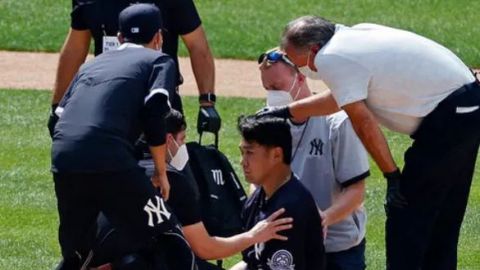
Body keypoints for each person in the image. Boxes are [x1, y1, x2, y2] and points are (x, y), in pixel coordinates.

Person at [259, 16, 480, 270]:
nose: (300, 69)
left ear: (312, 51)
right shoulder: (347, 38)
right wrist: (286, 112)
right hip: (467, 106)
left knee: (405, 213)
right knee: (442, 216)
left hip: (451, 116)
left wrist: (392, 176)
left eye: (295, 61)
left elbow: (363, 122)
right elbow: (340, 98)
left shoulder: (330, 57)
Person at [51, 4, 193, 269]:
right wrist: (160, 171)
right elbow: (155, 112)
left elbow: (57, 117)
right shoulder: (159, 60)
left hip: (64, 159)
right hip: (110, 158)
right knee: (170, 236)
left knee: (79, 254)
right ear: (159, 38)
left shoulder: (91, 66)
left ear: (118, 38)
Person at [90, 109, 294, 270]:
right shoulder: (172, 181)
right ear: (168, 140)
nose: (183, 147)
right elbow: (205, 248)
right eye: (182, 139)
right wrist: (254, 235)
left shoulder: (114, 169)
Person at [257, 48, 370, 270]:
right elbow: (260, 183)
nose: (273, 96)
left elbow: (356, 191)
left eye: (277, 87)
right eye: (267, 88)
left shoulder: (337, 123)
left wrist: (323, 219)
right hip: (289, 243)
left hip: (337, 247)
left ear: (300, 77)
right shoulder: (267, 121)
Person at [48, 0, 219, 136]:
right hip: (108, 104)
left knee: (167, 174)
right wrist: (57, 107)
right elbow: (75, 50)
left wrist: (207, 102)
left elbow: (197, 46)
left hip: (160, 104)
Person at [231, 115, 325, 270]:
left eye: (249, 153)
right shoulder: (257, 198)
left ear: (276, 154)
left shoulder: (290, 209)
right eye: (242, 153)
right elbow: (252, 261)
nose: (243, 162)